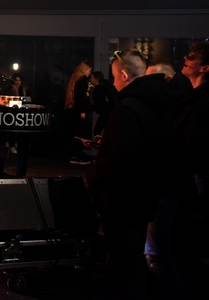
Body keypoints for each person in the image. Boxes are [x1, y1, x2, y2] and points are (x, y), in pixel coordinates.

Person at [86, 49, 172, 299]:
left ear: (124, 75)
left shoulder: (127, 106)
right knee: (132, 261)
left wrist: (93, 177)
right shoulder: (158, 102)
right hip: (145, 196)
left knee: (124, 266)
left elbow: (119, 159)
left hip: (120, 201)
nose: (113, 83)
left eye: (114, 76)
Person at [146, 42, 209, 299]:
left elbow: (194, 149)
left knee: (161, 252)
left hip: (183, 183)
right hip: (182, 182)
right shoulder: (189, 97)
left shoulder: (201, 103)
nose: (185, 57)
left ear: (205, 67)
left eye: (192, 56)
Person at [64, 61, 93, 164]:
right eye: (89, 70)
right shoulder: (82, 82)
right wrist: (82, 110)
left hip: (75, 110)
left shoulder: (75, 81)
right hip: (80, 111)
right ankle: (78, 154)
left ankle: (76, 153)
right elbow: (80, 97)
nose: (90, 72)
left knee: (77, 132)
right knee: (80, 133)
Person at [90, 71, 115, 137]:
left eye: (91, 78)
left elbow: (98, 102)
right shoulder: (104, 87)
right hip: (108, 112)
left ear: (96, 79)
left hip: (105, 112)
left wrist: (89, 109)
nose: (90, 80)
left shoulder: (98, 89)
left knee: (97, 131)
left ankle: (101, 143)